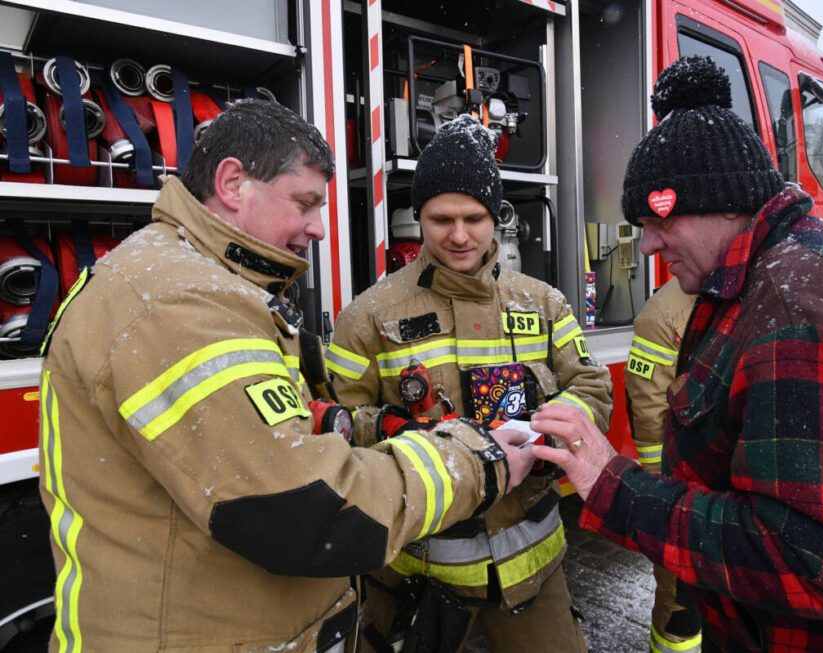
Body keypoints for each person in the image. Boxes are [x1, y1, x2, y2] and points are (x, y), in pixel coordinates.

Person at [38, 99, 535, 652]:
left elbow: (252, 446)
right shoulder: (175, 304)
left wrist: (337, 423)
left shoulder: (196, 284)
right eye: (305, 203)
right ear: (233, 183)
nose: (320, 228)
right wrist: (474, 458)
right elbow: (312, 509)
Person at [532, 56, 823, 652]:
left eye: (659, 219)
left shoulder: (799, 313)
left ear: (725, 202)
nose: (648, 245)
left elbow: (821, 567)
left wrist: (612, 484)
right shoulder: (763, 283)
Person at [327, 114, 612, 653]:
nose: (459, 235)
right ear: (419, 217)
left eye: (474, 217)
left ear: (497, 216)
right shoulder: (368, 316)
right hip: (415, 579)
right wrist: (402, 434)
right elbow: (336, 430)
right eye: (441, 219)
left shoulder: (544, 302)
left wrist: (541, 441)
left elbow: (592, 388)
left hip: (532, 575)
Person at [625, 276, 701, 653]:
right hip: (688, 492)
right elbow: (648, 407)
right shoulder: (665, 312)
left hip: (752, 489)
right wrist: (662, 493)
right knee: (681, 610)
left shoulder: (768, 289)